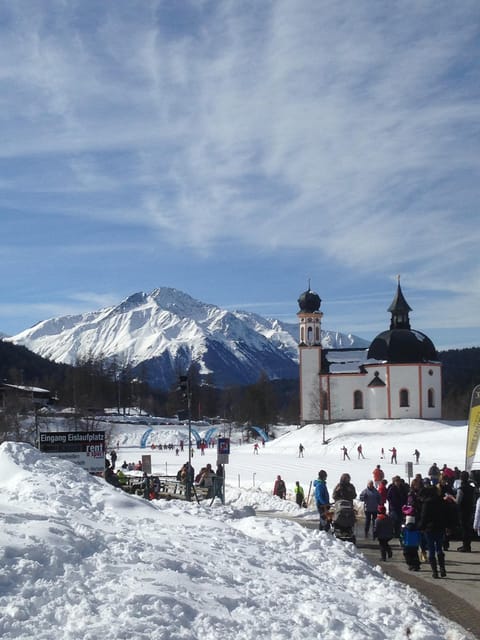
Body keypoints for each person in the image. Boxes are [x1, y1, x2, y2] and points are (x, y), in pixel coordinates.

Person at [417, 484, 448, 578]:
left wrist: (420, 527)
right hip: (440, 528)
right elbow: (446, 515)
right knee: (439, 548)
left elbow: (424, 517)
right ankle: (442, 568)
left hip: (429, 529)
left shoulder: (427, 503)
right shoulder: (442, 501)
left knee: (431, 549)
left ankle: (435, 571)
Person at [456, 470, 476, 552]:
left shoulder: (461, 488)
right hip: (470, 509)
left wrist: (451, 497)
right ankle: (467, 545)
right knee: (468, 528)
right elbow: (474, 499)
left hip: (463, 510)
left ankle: (465, 546)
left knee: (464, 528)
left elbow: (458, 501)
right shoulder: (472, 488)